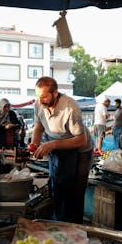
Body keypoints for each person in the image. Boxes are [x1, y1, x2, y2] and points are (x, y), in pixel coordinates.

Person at [31, 76, 91, 223]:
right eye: (38, 96)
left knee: (74, 193)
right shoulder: (39, 104)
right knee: (56, 186)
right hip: (56, 146)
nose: (40, 101)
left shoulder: (70, 107)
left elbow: (80, 139)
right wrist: (34, 145)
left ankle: (75, 230)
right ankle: (59, 223)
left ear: (55, 93)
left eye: (44, 97)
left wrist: (52, 145)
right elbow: (38, 127)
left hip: (80, 150)